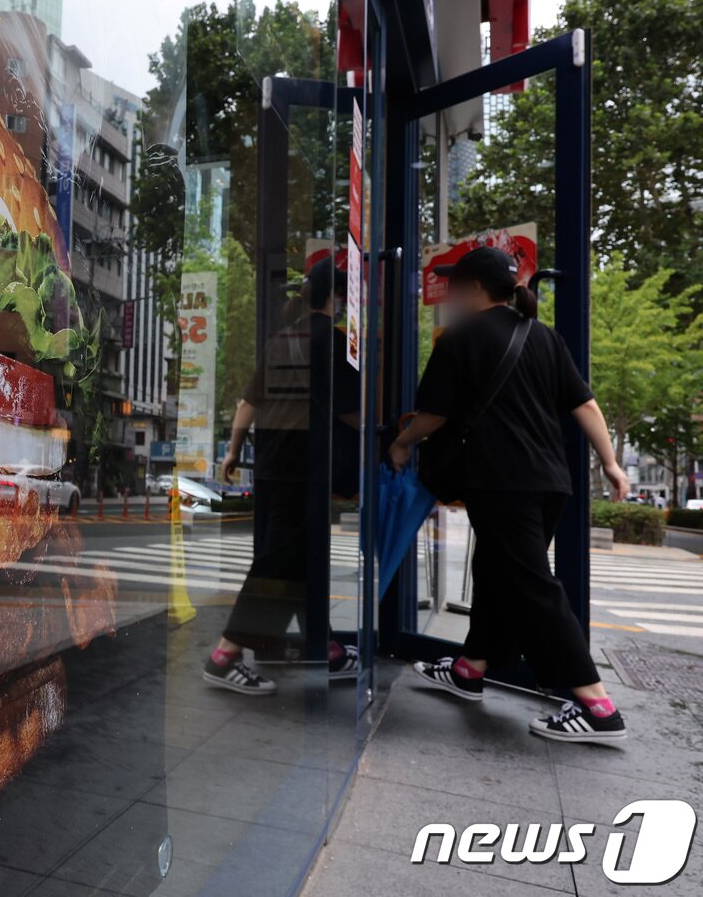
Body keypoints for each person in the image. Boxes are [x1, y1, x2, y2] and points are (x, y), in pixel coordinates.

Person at [389, 247, 631, 745]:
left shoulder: (461, 337)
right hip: (549, 482)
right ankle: (470, 669)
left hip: (502, 481)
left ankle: (598, 707)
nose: (451, 293)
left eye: (456, 284)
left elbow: (432, 415)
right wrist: (609, 462)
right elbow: (584, 403)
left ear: (474, 290)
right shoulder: (542, 336)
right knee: (498, 573)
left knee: (530, 585)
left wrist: (401, 442)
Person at [203, 258, 361, 695]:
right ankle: (224, 655)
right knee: (278, 560)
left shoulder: (280, 340)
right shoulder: (332, 343)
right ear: (336, 298)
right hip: (304, 466)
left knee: (299, 557)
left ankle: (324, 645)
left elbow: (247, 404)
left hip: (273, 463)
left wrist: (233, 451)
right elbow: (354, 413)